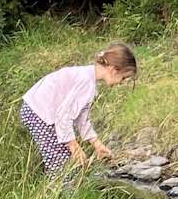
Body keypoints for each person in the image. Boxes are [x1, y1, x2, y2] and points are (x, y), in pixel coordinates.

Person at [20, 43, 137, 176]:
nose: (121, 82)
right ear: (113, 69)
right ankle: (58, 190)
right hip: (39, 112)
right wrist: (74, 147)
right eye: (123, 78)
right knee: (60, 160)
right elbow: (63, 116)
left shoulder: (89, 79)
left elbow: (82, 119)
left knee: (65, 156)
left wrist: (97, 144)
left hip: (37, 109)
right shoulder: (86, 82)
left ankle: (62, 186)